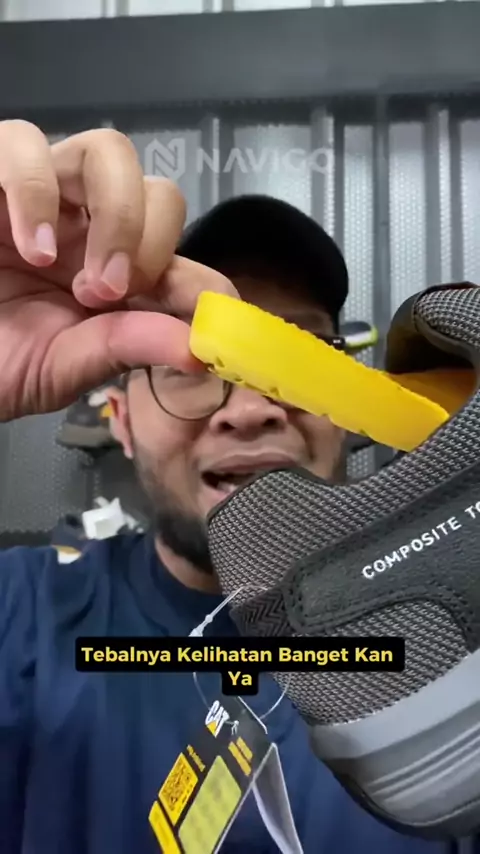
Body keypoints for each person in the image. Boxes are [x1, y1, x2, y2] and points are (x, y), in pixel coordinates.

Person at [0, 121, 473, 854]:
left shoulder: (457, 631)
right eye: (195, 365)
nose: (252, 408)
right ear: (122, 422)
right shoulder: (20, 619)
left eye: (298, 353)